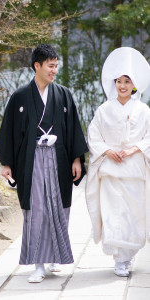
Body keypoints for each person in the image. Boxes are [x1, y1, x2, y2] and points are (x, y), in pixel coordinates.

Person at [0, 44, 88, 283]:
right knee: (36, 209)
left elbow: (73, 128)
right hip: (31, 158)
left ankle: (57, 256)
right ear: (37, 65)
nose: (54, 70)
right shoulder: (20, 97)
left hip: (58, 158)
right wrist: (7, 163)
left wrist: (76, 158)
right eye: (50, 65)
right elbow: (10, 132)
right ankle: (37, 264)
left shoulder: (64, 94)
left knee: (58, 207)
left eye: (56, 66)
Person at [85, 47, 150, 277]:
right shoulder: (104, 110)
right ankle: (118, 260)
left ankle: (128, 254)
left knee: (133, 216)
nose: (122, 86)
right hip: (111, 172)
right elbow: (94, 136)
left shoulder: (144, 110)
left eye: (127, 81)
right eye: (118, 81)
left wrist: (135, 148)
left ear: (134, 85)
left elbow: (149, 137)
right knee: (114, 216)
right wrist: (107, 151)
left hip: (134, 171)